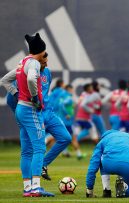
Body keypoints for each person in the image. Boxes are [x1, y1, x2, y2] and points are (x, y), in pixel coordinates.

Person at [0, 33, 54, 197]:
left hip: (20, 110)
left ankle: (28, 188)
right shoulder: (35, 64)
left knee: (26, 152)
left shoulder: (22, 62)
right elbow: (31, 79)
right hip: (30, 109)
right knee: (39, 148)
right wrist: (35, 97)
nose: (45, 56)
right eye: (44, 52)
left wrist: (16, 94)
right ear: (41, 51)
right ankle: (36, 188)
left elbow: (4, 80)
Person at [85, 130, 129, 198]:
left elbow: (93, 167)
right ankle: (125, 187)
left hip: (109, 164)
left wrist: (89, 191)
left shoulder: (103, 141)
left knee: (102, 158)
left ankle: (107, 190)